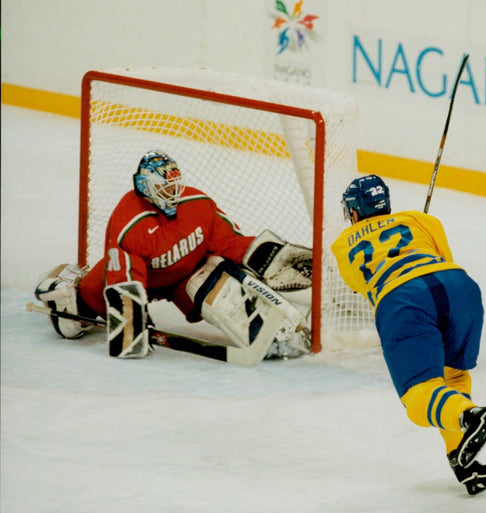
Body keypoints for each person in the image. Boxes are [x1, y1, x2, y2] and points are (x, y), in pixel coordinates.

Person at [34, 150, 313, 360]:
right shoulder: (130, 223)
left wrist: (270, 257)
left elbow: (231, 242)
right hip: (127, 284)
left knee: (213, 277)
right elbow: (124, 279)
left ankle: (272, 331)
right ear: (145, 186)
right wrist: (130, 326)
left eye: (176, 185)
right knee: (71, 321)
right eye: (166, 188)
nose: (174, 193)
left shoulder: (197, 205)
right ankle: (65, 290)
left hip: (180, 278)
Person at [330, 175, 486, 495]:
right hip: (459, 288)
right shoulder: (422, 220)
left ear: (354, 213)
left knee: (418, 396)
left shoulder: (342, 244)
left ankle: (469, 416)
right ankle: (463, 461)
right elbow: (444, 255)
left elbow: (360, 285)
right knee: (453, 377)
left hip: (402, 298)